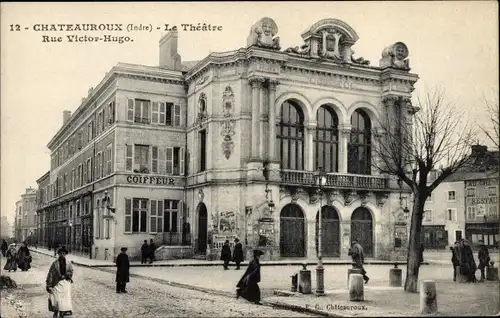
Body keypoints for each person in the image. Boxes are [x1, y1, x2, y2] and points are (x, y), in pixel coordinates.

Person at [46, 246, 73, 318]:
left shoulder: (68, 263)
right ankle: (56, 311)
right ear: (58, 254)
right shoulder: (55, 263)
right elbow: (50, 274)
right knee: (56, 298)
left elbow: (71, 271)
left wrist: (67, 275)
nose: (62, 255)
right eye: (60, 253)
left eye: (63, 253)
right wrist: (49, 285)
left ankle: (62, 312)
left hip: (65, 283)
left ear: (65, 254)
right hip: (57, 282)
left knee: (64, 299)